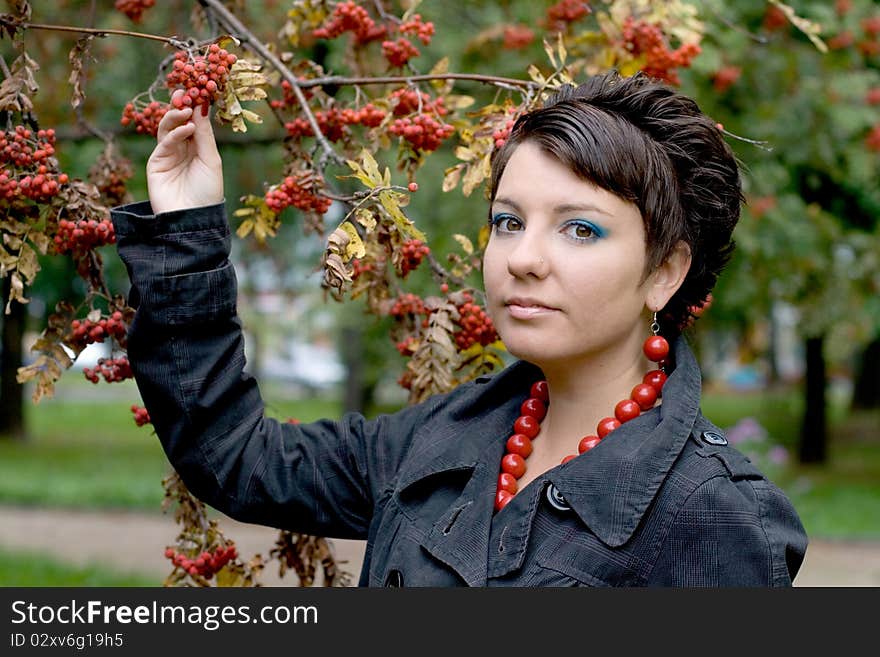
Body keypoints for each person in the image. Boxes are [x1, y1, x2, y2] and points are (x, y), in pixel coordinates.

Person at [111, 71, 808, 587]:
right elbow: (237, 456)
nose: (523, 259)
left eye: (580, 228)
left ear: (665, 271)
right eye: (508, 221)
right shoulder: (439, 438)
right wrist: (185, 227)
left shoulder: (713, 513)